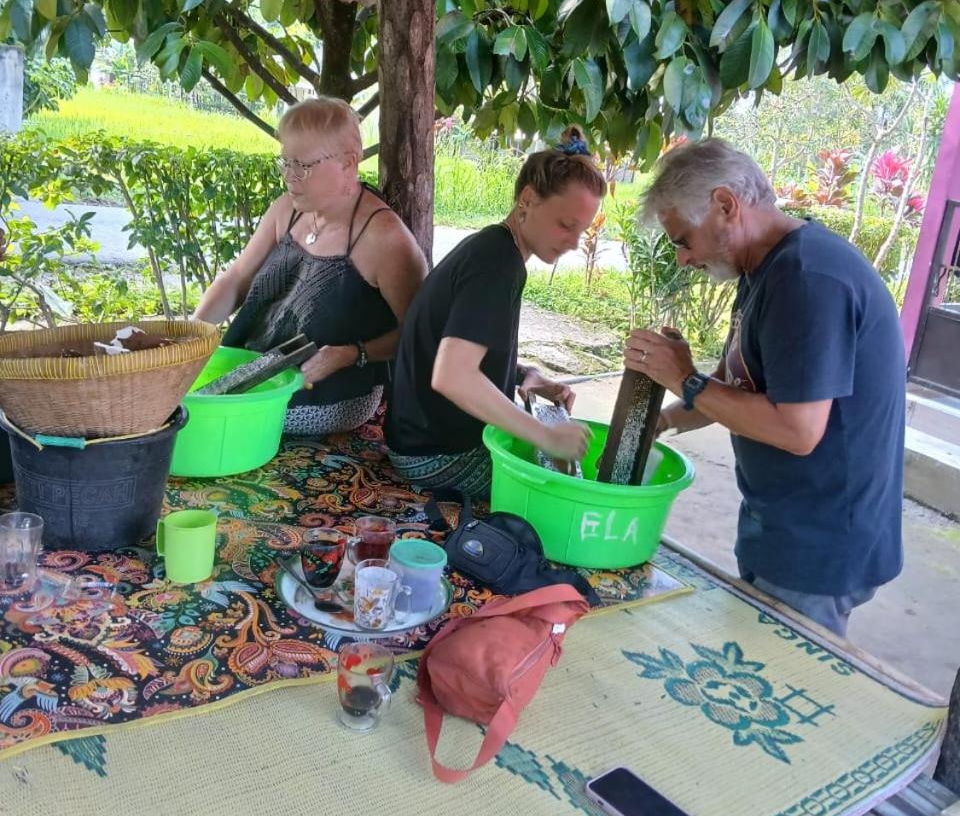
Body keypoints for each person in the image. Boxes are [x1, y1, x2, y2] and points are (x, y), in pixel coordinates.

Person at [625, 139, 905, 638]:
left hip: (819, 544)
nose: (683, 260)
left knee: (776, 674)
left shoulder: (808, 278)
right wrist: (662, 420)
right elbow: (736, 391)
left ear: (725, 205)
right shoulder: (762, 270)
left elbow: (797, 430)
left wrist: (685, 378)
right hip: (778, 528)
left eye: (683, 240)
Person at [193, 97, 426, 434]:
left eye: (303, 165)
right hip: (258, 370)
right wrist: (191, 335)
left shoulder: (385, 238)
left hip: (330, 395)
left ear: (348, 162)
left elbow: (419, 333)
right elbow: (237, 278)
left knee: (199, 423)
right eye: (285, 162)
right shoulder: (286, 210)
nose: (290, 176)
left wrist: (351, 354)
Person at [385, 143, 606, 498]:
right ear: (528, 199)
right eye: (566, 225)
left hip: (418, 440)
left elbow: (458, 349)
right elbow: (452, 376)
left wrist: (523, 375)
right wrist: (546, 436)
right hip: (434, 455)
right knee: (570, 493)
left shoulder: (493, 248)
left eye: (581, 232)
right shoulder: (498, 265)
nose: (573, 243)